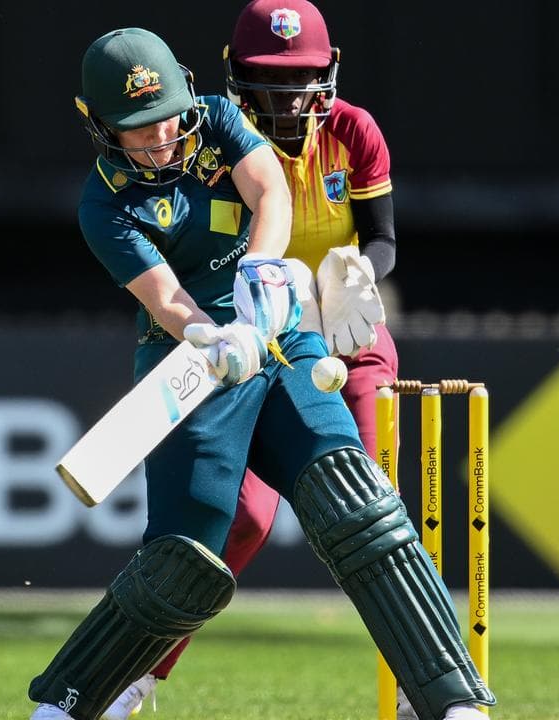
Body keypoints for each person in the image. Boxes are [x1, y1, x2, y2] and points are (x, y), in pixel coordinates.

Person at [27, 26, 494, 720]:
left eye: (167, 119)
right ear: (99, 125)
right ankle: (68, 705)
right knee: (184, 551)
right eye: (139, 129)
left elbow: (271, 190)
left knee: (356, 500)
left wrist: (261, 273)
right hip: (193, 360)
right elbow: (166, 300)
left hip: (280, 330)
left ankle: (453, 700)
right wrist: (213, 335)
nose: (161, 139)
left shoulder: (215, 117)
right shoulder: (104, 206)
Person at [106, 1, 411, 717]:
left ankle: (421, 679)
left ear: (328, 73)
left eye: (302, 79)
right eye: (272, 81)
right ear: (236, 76)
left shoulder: (353, 131)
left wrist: (361, 272)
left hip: (345, 332)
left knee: (370, 508)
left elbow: (384, 238)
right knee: (238, 518)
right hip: (255, 339)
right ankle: (139, 671)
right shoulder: (216, 144)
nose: (290, 98)